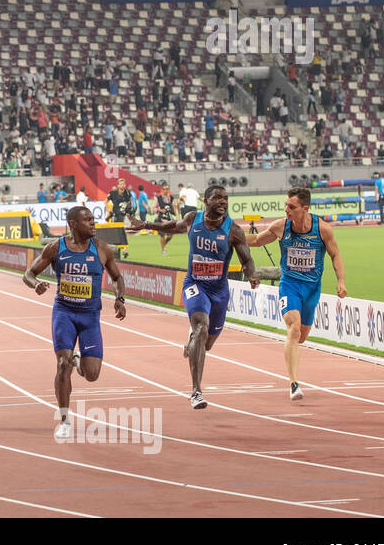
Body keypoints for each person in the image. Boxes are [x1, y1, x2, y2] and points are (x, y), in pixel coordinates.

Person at [128, 186, 258, 408]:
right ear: (205, 200)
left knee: (206, 344)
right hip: (195, 285)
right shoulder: (192, 219)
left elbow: (246, 259)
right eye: (217, 198)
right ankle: (196, 391)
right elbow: (173, 226)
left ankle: (192, 342)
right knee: (200, 326)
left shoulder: (233, 230)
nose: (222, 202)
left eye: (225, 199)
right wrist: (147, 225)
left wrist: (251, 275)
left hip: (219, 291)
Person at [23, 206, 127, 440]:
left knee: (92, 375)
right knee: (62, 364)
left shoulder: (102, 249)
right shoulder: (56, 248)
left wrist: (120, 299)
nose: (93, 223)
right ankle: (64, 419)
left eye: (93, 219)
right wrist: (35, 284)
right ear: (72, 224)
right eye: (87, 220)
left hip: (90, 317)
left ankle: (77, 360)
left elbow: (117, 277)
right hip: (65, 314)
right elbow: (28, 274)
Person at [244, 187, 347, 400]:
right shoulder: (280, 227)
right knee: (294, 328)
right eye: (286, 206)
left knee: (301, 336)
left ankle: (292, 358)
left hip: (312, 288)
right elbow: (255, 240)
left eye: (291, 207)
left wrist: (341, 281)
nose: (286, 210)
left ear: (304, 208)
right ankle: (293, 384)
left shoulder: (322, 229)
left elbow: (335, 255)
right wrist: (228, 236)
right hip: (290, 284)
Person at [154, 183, 177, 255]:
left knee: (170, 235)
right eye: (164, 189)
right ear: (161, 190)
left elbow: (174, 207)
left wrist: (177, 216)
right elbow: (154, 208)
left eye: (167, 189)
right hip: (160, 219)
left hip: (169, 219)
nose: (166, 191)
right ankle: (163, 250)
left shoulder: (171, 198)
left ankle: (163, 245)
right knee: (162, 235)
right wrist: (161, 210)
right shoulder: (158, 198)